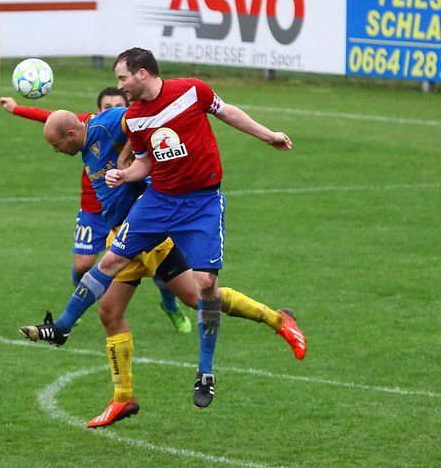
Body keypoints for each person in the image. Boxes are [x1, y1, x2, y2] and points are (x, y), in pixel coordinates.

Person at [23, 108, 304, 426]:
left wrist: (127, 158)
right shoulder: (88, 144)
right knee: (110, 313)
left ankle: (277, 319)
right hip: (122, 236)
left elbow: (137, 118)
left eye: (56, 144)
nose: (56, 151)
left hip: (147, 235)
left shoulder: (106, 125)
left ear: (71, 134)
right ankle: (123, 398)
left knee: (198, 298)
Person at [69, 47, 305, 409]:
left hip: (202, 203)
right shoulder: (135, 118)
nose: (120, 86)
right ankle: (72, 337)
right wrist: (124, 174)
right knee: (111, 276)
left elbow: (227, 112)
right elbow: (144, 164)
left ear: (142, 73)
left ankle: (206, 371)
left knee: (205, 286)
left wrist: (267, 135)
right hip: (160, 203)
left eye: (123, 78)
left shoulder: (192, 90)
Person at [0, 89, 191, 334]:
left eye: (118, 105)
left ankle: (171, 306)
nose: (113, 109)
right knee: (89, 277)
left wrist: (126, 160)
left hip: (134, 216)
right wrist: (16, 109)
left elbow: (142, 120)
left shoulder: (112, 126)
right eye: (107, 106)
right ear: (98, 109)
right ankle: (69, 317)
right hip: (97, 212)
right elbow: (50, 117)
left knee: (173, 281)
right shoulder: (84, 130)